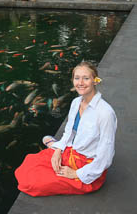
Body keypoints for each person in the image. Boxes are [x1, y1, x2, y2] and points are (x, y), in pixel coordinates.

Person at [15, 61, 117, 196]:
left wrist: (76, 173)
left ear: (95, 81)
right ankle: (55, 145)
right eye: (77, 78)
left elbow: (106, 156)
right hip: (72, 152)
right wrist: (58, 150)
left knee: (32, 183)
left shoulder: (105, 113)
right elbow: (70, 131)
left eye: (86, 78)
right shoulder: (76, 102)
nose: (80, 83)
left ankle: (52, 144)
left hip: (87, 166)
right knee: (28, 164)